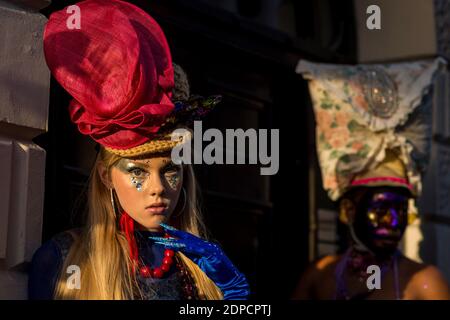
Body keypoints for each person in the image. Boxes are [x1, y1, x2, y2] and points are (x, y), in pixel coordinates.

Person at [28, 0, 249, 300]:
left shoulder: (202, 269)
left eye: (170, 169)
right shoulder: (64, 261)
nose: (157, 189)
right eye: (137, 171)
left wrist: (234, 295)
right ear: (107, 175)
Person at [294, 58, 450, 300]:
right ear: (348, 210)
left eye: (401, 209)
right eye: (380, 209)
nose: (394, 221)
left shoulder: (425, 281)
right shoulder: (319, 276)